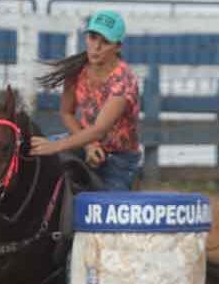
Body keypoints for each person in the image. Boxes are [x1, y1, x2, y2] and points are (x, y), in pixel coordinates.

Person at [30, 10, 142, 191]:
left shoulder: (124, 81)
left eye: (105, 42)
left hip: (119, 160)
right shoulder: (76, 70)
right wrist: (89, 145)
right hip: (83, 144)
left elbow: (99, 130)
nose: (96, 47)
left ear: (118, 47)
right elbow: (66, 112)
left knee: (109, 213)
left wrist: (56, 146)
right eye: (92, 37)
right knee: (36, 161)